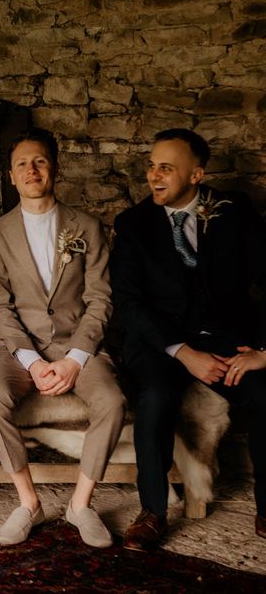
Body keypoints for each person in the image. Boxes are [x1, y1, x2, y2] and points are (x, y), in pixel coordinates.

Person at [110, 128, 266, 551]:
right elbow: (129, 304)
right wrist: (183, 353)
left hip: (229, 340)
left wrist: (262, 352)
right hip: (162, 344)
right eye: (151, 166)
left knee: (264, 393)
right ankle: (153, 511)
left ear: (196, 175)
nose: (153, 176)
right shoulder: (133, 225)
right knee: (156, 397)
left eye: (166, 167)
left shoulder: (235, 212)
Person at [0, 128, 125, 548]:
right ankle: (29, 503)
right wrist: (32, 361)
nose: (31, 169)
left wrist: (76, 358)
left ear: (54, 168)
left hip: (78, 342)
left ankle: (81, 504)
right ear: (10, 175)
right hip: (19, 349)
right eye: (22, 163)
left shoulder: (88, 227)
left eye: (39, 161)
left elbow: (100, 298)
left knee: (112, 401)